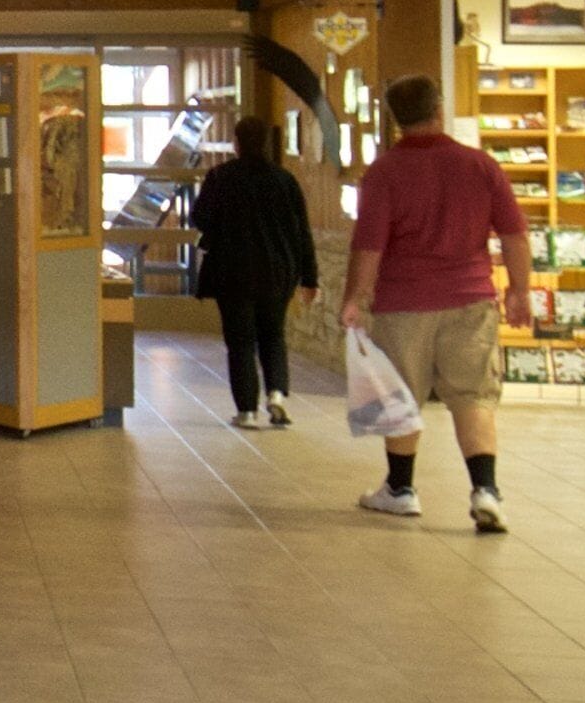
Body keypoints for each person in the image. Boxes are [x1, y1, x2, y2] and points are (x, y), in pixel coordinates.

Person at [340, 72, 533, 533]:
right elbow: (514, 234)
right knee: (473, 396)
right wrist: (521, 291)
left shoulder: (384, 172)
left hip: (403, 303)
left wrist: (356, 297)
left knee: (400, 397)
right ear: (439, 108)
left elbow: (369, 245)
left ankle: (401, 490)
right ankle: (485, 490)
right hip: (471, 301)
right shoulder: (481, 165)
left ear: (394, 118)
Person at [189, 115, 317, 428]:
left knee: (240, 340)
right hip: (278, 272)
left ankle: (246, 410)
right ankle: (276, 394)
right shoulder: (285, 181)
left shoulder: (220, 177)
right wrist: (310, 277)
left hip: (232, 271)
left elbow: (200, 218)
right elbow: (302, 232)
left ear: (237, 142)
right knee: (273, 335)